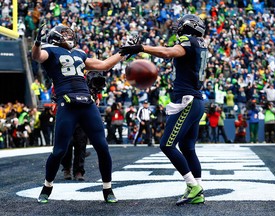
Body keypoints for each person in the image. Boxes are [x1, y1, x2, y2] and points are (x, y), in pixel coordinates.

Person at [32, 24, 134, 204]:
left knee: (102, 147)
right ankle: (47, 186)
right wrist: (38, 42)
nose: (69, 35)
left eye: (69, 33)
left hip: (86, 102)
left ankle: (107, 188)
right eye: (64, 33)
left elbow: (103, 65)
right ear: (55, 36)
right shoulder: (50, 50)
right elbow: (37, 56)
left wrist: (124, 52)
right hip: (67, 103)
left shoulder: (79, 53)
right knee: (59, 151)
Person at [120, 14, 207, 205]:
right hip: (196, 100)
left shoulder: (188, 41)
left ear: (189, 28)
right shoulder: (201, 44)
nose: (177, 27)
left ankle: (193, 186)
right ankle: (197, 189)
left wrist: (141, 48)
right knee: (187, 148)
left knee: (166, 144)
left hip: (188, 100)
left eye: (181, 25)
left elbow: (169, 53)